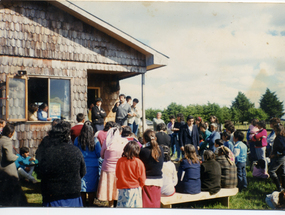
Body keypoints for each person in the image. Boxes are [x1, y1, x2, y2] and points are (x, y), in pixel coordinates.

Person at [36, 121, 86, 207]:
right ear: (68, 136)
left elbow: (40, 173)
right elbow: (83, 172)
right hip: (72, 196)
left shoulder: (47, 153)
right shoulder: (76, 151)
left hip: (53, 196)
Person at [97, 125, 128, 207]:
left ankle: (110, 205)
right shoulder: (124, 141)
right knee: (117, 188)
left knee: (109, 187)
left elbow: (102, 155)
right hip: (120, 168)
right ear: (120, 132)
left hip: (107, 168)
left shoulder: (107, 142)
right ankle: (117, 204)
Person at [74, 121, 101, 207]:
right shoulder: (95, 140)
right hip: (93, 166)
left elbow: (75, 152)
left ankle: (83, 205)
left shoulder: (77, 140)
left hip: (81, 165)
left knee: (82, 187)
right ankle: (90, 204)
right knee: (92, 187)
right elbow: (99, 154)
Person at [116, 141, 146, 208]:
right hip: (135, 189)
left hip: (122, 188)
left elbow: (117, 174)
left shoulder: (120, 161)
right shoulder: (139, 162)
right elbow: (143, 179)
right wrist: (140, 186)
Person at [139, 129, 164, 208]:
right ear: (155, 138)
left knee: (146, 206)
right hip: (158, 180)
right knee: (155, 204)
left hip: (146, 180)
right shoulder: (161, 149)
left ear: (144, 139)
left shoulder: (143, 151)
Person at [268, 123, 285, 191]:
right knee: (282, 171)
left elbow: (281, 148)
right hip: (282, 156)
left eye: (275, 130)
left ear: (277, 131)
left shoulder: (279, 138)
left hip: (280, 156)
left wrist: (275, 154)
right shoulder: (282, 137)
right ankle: (283, 187)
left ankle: (279, 187)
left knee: (271, 171)